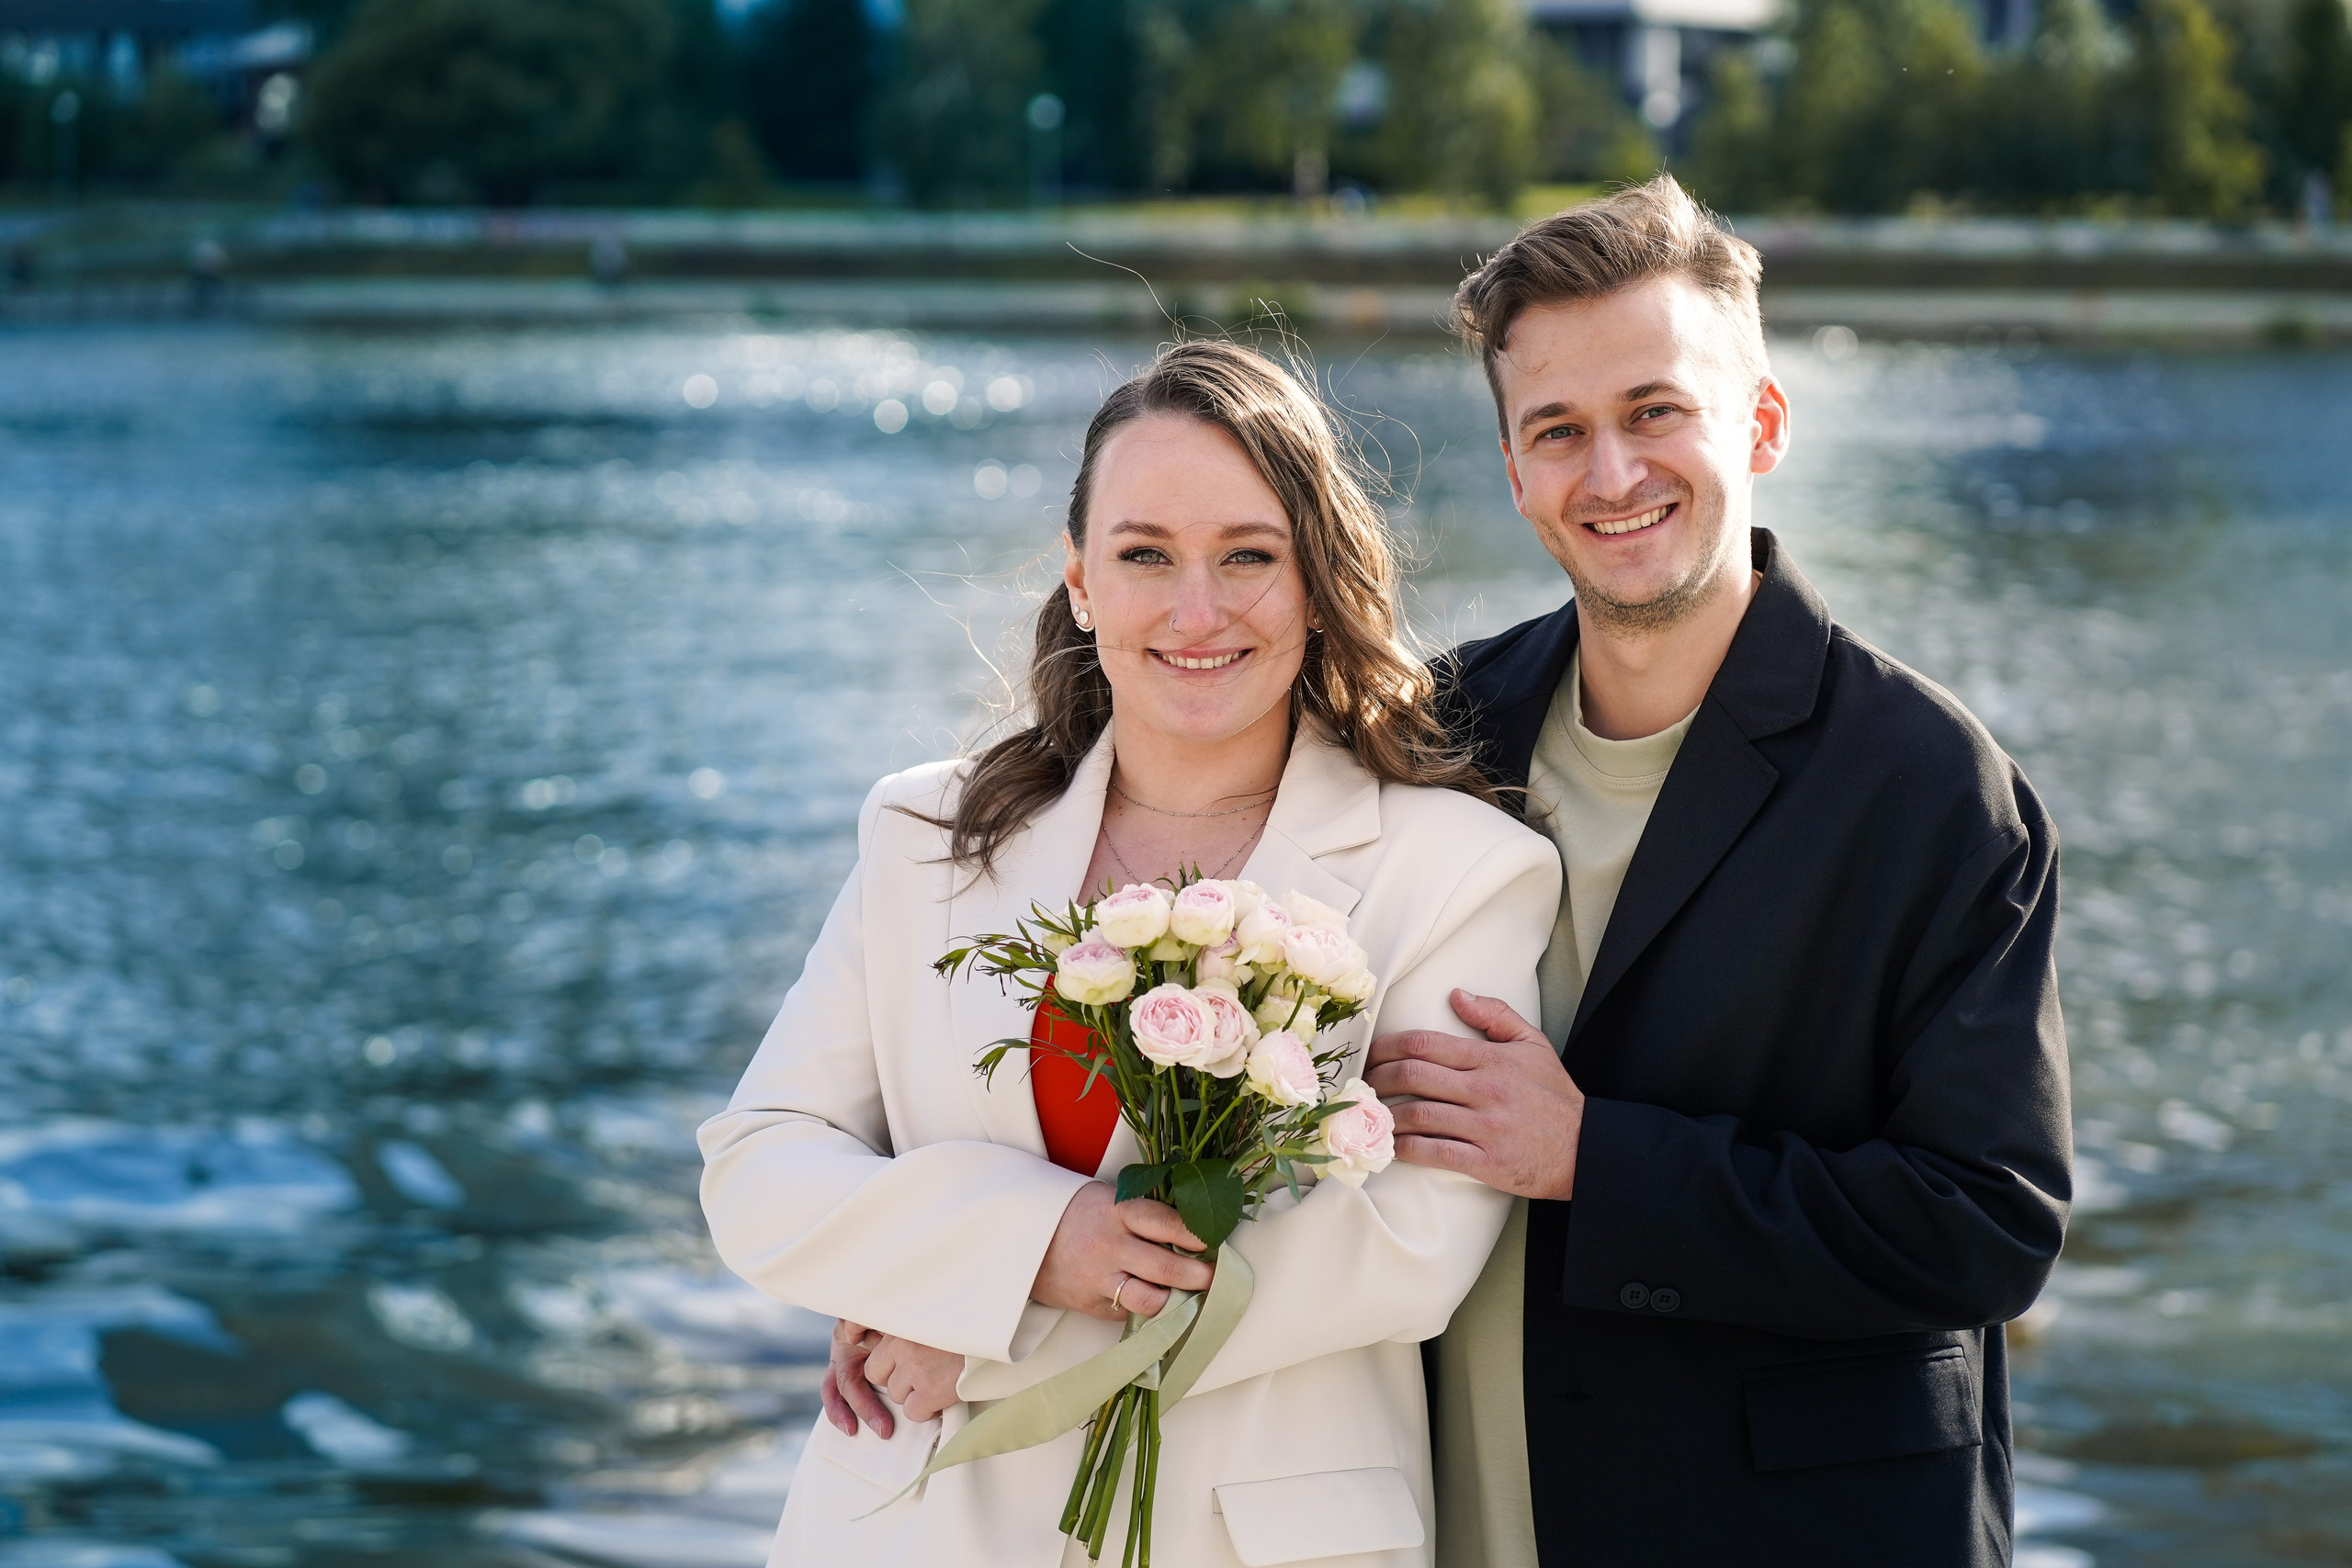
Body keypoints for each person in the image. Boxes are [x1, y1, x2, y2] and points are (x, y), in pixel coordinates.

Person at [699, 341, 1558, 1567]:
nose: (1195, 610)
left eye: (1248, 558)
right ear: (1081, 581)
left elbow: (1408, 1253)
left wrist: (1000, 1327)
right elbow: (761, 1169)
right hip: (916, 1525)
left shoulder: (1459, 870)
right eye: (1144, 555)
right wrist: (1032, 1246)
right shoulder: (927, 838)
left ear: (1316, 581)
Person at [1363, 176, 2072, 1567]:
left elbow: (1988, 1227)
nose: (1611, 474)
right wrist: (981, 1277)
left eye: (1655, 412)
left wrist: (1593, 1161)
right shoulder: (1431, 733)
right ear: (1514, 472)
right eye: (1558, 431)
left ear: (1760, 422)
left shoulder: (1932, 788)